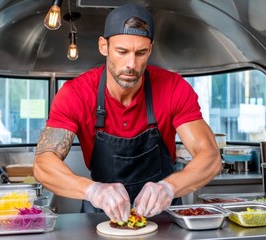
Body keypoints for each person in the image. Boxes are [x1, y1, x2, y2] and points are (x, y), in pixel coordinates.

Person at [34, 3, 221, 223]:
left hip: (162, 215)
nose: (131, 64)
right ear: (104, 46)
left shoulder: (174, 88)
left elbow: (210, 157)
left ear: (150, 49)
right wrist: (94, 191)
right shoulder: (75, 94)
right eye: (122, 52)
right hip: (100, 215)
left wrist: (169, 187)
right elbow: (43, 163)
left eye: (140, 53)